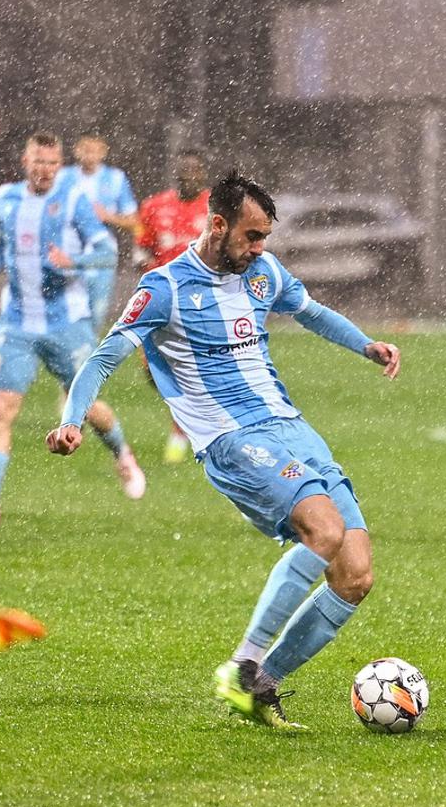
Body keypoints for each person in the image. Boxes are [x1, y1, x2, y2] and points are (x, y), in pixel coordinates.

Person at [47, 173, 402, 730]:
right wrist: (72, 421)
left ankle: (260, 686)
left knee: (355, 574)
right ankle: (244, 665)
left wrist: (365, 345)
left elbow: (310, 311)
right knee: (324, 530)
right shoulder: (164, 288)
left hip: (291, 427)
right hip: (231, 440)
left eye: (264, 237)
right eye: (251, 236)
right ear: (218, 225)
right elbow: (102, 359)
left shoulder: (263, 272)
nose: (259, 248)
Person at [0, 132, 145, 528]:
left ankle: (122, 455)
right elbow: (3, 246)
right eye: (38, 162)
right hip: (17, 324)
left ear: (60, 166)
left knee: (88, 408)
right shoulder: (7, 197)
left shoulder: (73, 199)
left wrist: (72, 261)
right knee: (0, 410)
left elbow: (106, 251)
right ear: (25, 162)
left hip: (66, 324)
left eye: (52, 163)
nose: (44, 170)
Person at [134, 149, 212, 464]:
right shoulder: (154, 206)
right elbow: (141, 250)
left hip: (201, 301)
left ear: (204, 174)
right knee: (152, 369)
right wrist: (147, 270)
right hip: (161, 298)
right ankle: (191, 414)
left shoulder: (215, 208)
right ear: (176, 173)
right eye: (185, 170)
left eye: (195, 170)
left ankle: (183, 432)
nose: (189, 175)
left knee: (191, 367)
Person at [58, 135, 139, 328]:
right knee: (63, 312)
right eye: (85, 149)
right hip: (68, 252)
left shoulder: (115, 178)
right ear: (76, 151)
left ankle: (88, 344)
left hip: (101, 254)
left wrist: (108, 216)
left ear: (103, 153)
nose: (89, 155)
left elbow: (133, 220)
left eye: (94, 150)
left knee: (96, 314)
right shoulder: (63, 177)